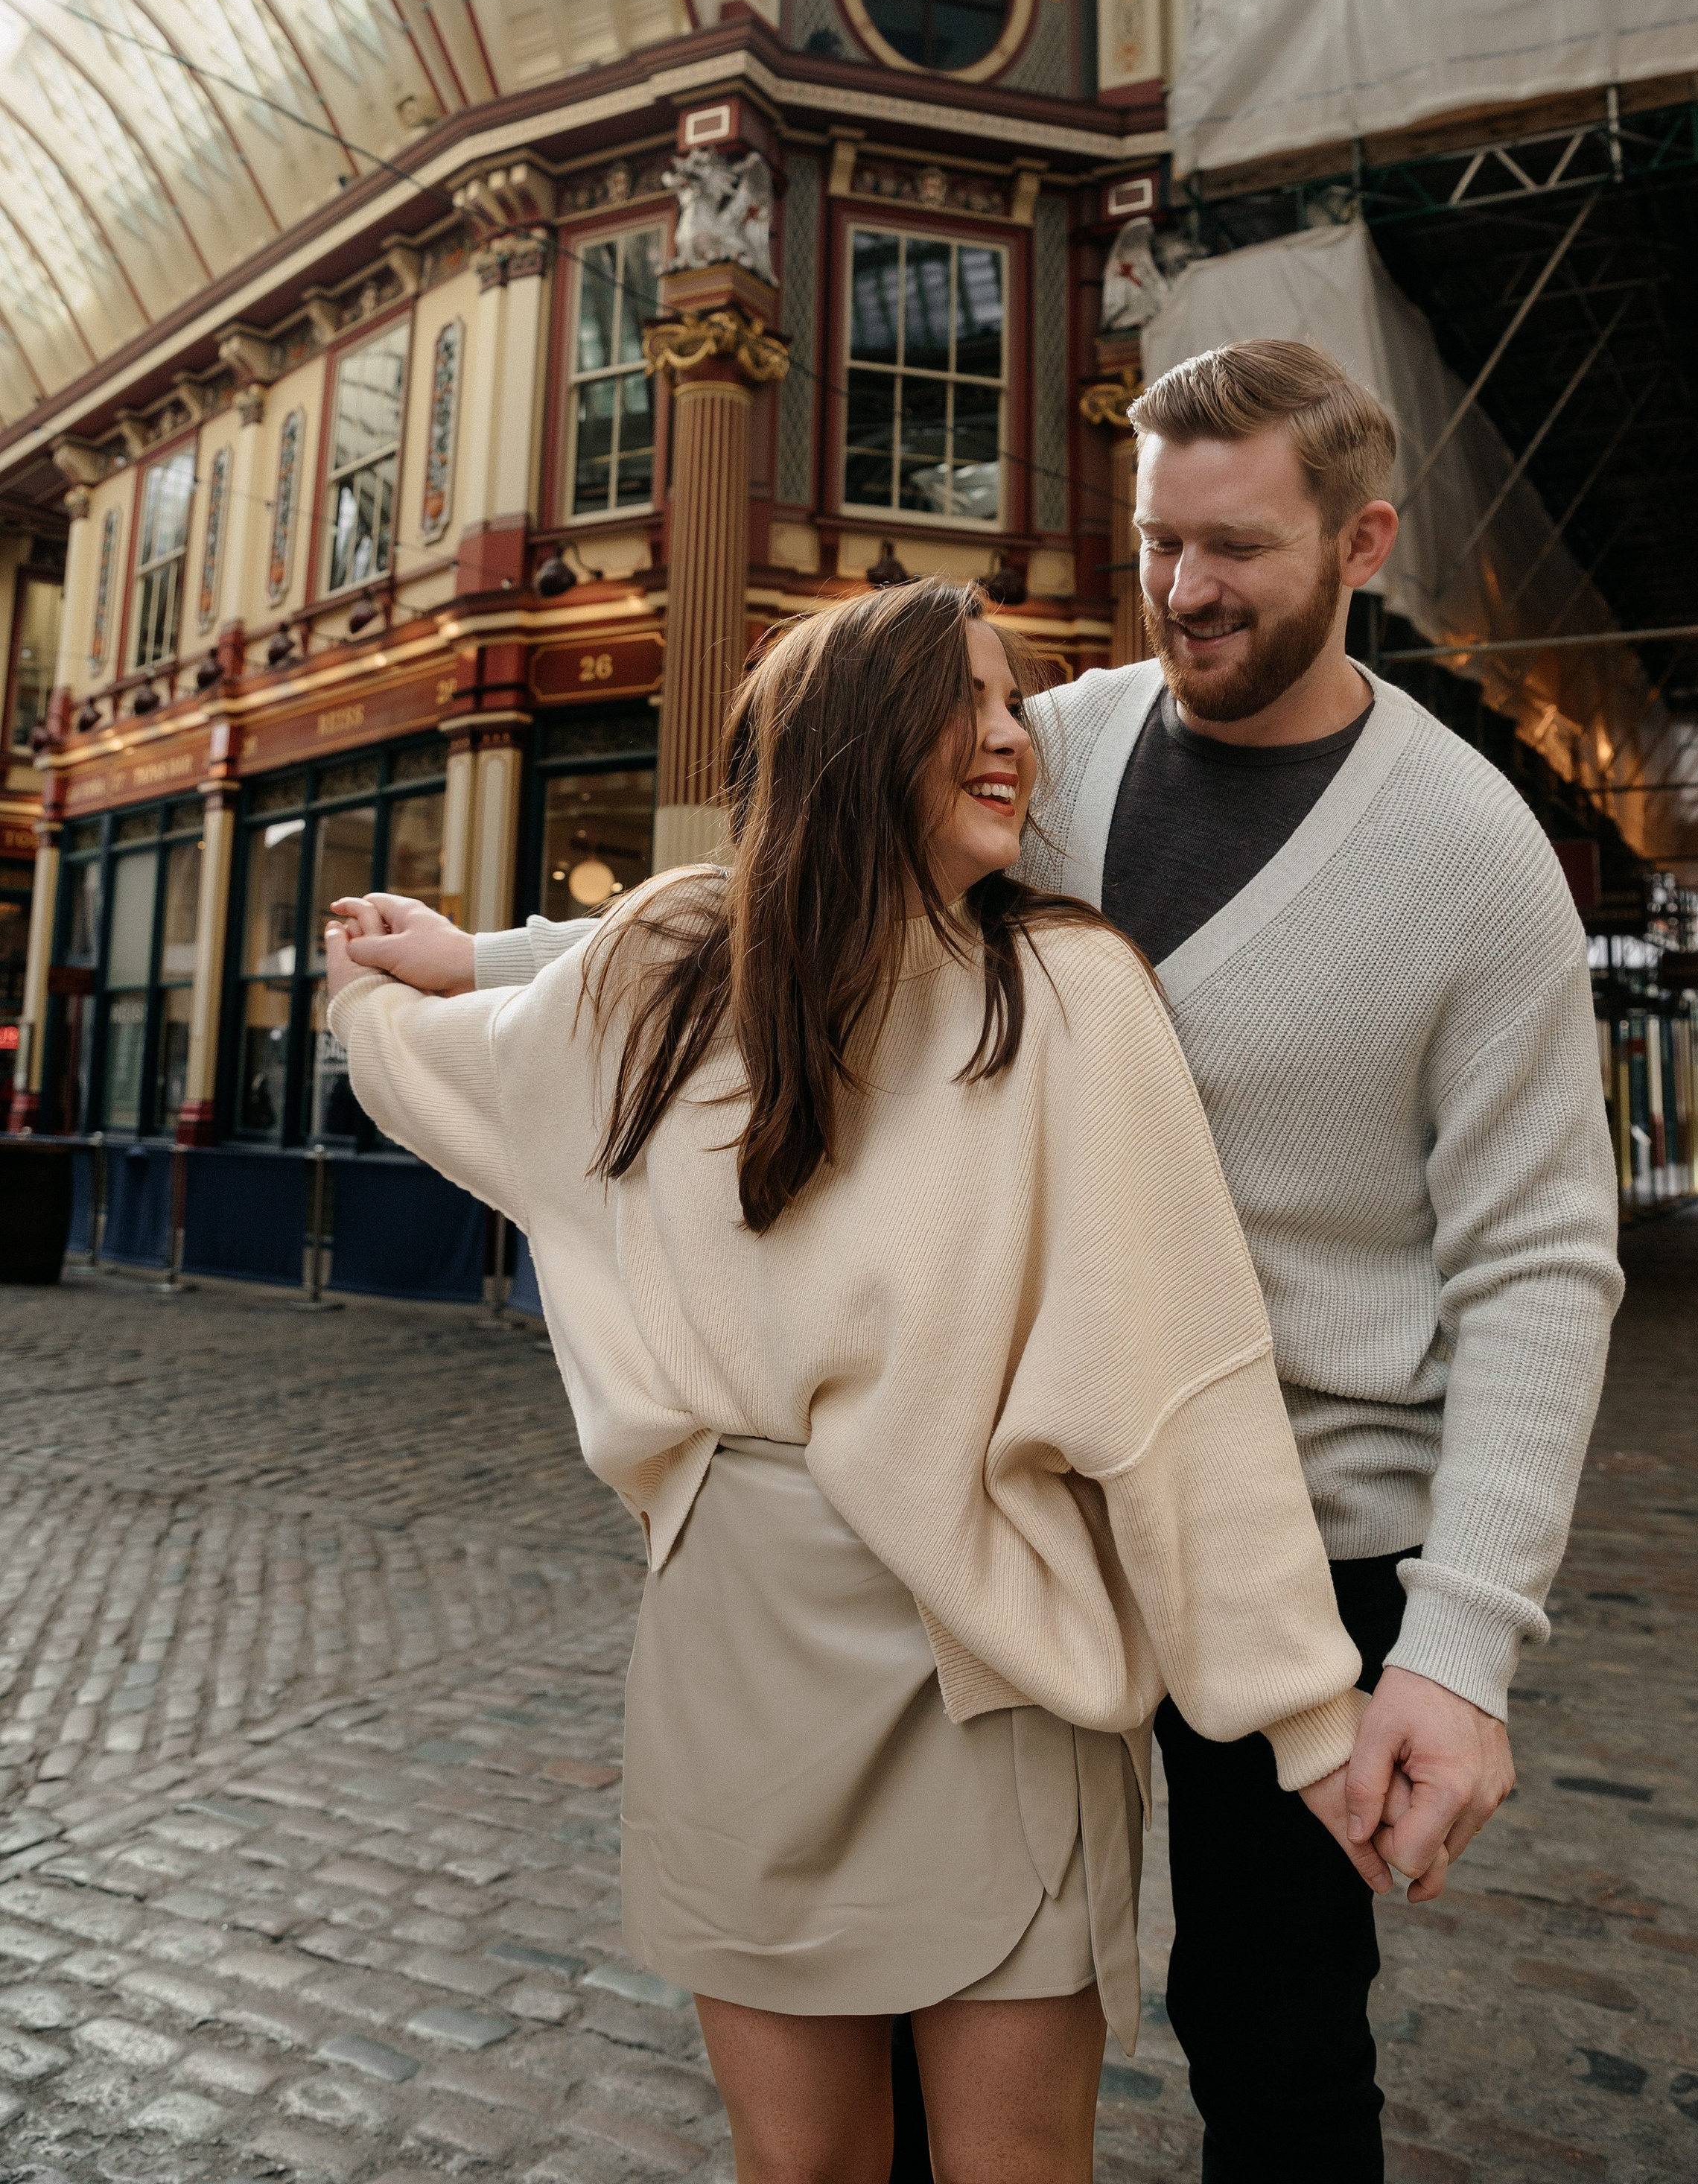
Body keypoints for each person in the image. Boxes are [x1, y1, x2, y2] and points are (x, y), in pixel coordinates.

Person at [343, 337, 1624, 2183]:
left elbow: (1538, 1263)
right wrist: (489, 961)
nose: (1182, 588)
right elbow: (786, 900)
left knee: (1273, 2042)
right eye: (1155, 540)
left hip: (1304, 1523)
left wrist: (1462, 1642)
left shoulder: (1468, 854)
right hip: (1010, 1523)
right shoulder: (1061, 740)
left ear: (1363, 540)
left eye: (1235, 548)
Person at [325, 580, 1384, 2184]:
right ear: (844, 742)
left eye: (1012, 702)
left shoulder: (1069, 995)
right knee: (798, 2167)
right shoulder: (663, 972)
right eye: (954, 701)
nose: (1003, 737)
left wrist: (1307, 1718)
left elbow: (1179, 1383)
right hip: (734, 1644)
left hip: (986, 1651)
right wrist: (368, 987)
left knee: (1012, 2165)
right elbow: (453, 1072)